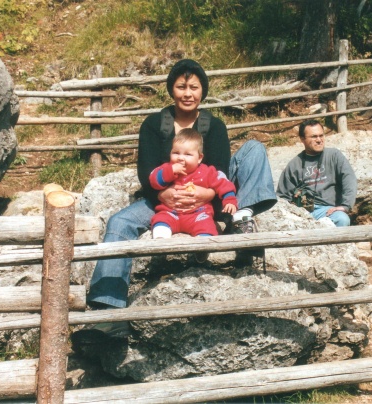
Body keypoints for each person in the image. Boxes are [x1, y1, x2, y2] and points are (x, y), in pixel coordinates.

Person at [78, 59, 277, 339]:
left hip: (206, 198)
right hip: (162, 199)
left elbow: (219, 169)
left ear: (202, 91)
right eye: (181, 86)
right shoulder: (154, 124)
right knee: (120, 222)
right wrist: (165, 194)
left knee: (254, 148)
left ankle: (239, 217)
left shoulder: (214, 126)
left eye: (194, 87)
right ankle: (108, 314)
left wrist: (205, 195)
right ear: (171, 89)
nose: (187, 93)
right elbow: (145, 171)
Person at [149, 128, 238, 263]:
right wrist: (170, 172)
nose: (180, 158)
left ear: (199, 158)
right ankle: (161, 244)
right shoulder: (166, 168)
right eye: (176, 152)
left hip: (197, 214)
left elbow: (223, 183)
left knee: (207, 225)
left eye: (188, 154)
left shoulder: (207, 172)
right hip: (171, 212)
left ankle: (201, 249)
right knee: (160, 220)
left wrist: (229, 200)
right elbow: (153, 180)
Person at [276, 119, 356, 227]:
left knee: (342, 219)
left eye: (321, 135)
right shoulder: (294, 165)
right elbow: (283, 197)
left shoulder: (334, 156)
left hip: (329, 211)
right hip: (303, 212)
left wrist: (345, 206)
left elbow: (349, 179)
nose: (319, 140)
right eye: (314, 136)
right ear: (302, 139)